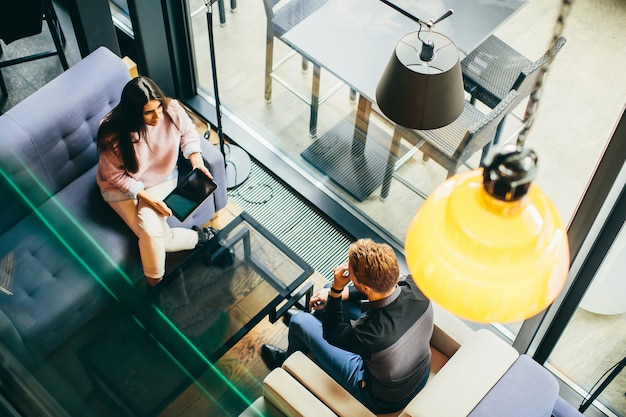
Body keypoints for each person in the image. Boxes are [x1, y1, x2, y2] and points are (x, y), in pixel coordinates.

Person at [261, 238, 434, 414]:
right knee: (331, 295)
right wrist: (339, 292)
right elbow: (380, 289)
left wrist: (336, 290)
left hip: (381, 396)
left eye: (351, 274)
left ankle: (285, 360)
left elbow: (332, 334)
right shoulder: (417, 286)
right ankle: (309, 332)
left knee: (299, 321)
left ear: (366, 288)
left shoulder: (371, 332)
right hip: (418, 370)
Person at [96, 76, 215, 287]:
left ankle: (156, 285)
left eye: (158, 107)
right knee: (154, 234)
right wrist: (148, 199)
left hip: (161, 179)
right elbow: (114, 176)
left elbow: (188, 133)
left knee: (152, 235)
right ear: (134, 114)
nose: (157, 116)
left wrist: (196, 161)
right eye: (149, 112)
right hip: (121, 188)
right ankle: (158, 280)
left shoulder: (172, 110)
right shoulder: (113, 134)